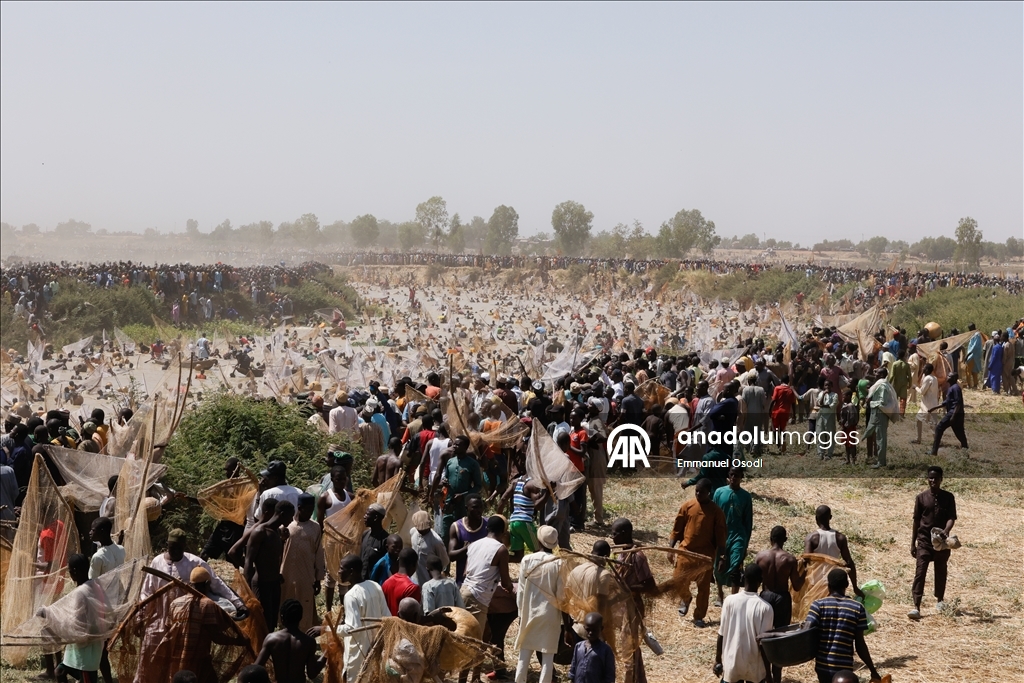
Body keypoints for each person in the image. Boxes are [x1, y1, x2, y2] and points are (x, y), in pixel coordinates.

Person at [162, 566, 250, 683]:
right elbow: (216, 637)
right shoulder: (207, 604)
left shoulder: (175, 603)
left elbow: (168, 629)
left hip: (177, 658)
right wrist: (238, 641)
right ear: (207, 583)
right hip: (199, 659)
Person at [804, 568, 881, 683]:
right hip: (844, 671)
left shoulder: (818, 605)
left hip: (823, 666)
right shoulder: (857, 608)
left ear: (828, 585)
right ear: (847, 584)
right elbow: (860, 644)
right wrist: (872, 669)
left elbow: (806, 632)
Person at [670, 478, 726, 628]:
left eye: (702, 492)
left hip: (705, 556)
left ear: (709, 493)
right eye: (696, 491)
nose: (698, 494)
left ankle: (699, 616)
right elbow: (677, 528)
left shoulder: (716, 512)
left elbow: (721, 537)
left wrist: (721, 557)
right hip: (686, 551)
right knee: (678, 580)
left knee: (703, 588)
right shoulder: (687, 506)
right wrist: (671, 548)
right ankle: (686, 598)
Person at [514, 525, 567, 683]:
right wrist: (566, 623)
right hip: (550, 614)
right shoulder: (559, 563)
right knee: (548, 656)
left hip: (530, 611)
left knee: (524, 652)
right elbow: (561, 596)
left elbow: (521, 591)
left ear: (538, 540)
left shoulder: (527, 560)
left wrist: (520, 614)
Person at [755, 526, 805, 683]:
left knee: (764, 634)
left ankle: (764, 673)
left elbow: (754, 580)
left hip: (765, 596)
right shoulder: (790, 559)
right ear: (785, 540)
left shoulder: (760, 556)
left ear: (770, 539)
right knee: (780, 636)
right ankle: (776, 675)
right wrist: (805, 572)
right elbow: (796, 586)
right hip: (782, 598)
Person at [612, 518, 657, 683]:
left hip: (633, 607)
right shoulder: (621, 551)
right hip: (623, 606)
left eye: (615, 533)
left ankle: (629, 678)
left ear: (625, 534)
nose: (612, 536)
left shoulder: (637, 556)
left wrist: (628, 589)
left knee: (629, 649)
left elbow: (650, 585)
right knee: (630, 646)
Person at [909, 465, 957, 620]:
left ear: (941, 479)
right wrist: (912, 544)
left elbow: (951, 517)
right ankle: (916, 605)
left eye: (936, 478)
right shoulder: (921, 498)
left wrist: (946, 530)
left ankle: (940, 600)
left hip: (941, 542)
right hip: (923, 541)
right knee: (920, 572)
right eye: (930, 478)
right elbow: (916, 521)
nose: (933, 481)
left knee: (941, 570)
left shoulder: (948, 497)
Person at [713, 563, 773, 683]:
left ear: (743, 578)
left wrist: (718, 660)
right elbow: (764, 644)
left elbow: (721, 634)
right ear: (760, 581)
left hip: (732, 664)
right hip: (754, 667)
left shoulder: (729, 601)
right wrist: (768, 673)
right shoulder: (765, 608)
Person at [338, 555, 390, 683]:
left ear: (351, 572)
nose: (339, 572)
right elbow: (387, 617)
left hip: (358, 653)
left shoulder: (350, 596)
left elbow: (353, 628)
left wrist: (327, 628)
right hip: (376, 648)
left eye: (341, 568)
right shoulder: (375, 586)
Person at [246, 500, 295, 630]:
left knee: (272, 623)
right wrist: (248, 591)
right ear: (282, 514)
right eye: (291, 516)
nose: (291, 520)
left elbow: (272, 557)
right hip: (261, 584)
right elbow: (249, 562)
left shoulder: (277, 533)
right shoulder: (260, 532)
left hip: (274, 584)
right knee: (262, 623)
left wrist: (277, 575)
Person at [54, 554, 103, 683]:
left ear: (75, 571)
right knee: (60, 671)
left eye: (69, 571)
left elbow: (78, 622)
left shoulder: (82, 592)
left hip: (86, 645)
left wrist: (59, 622)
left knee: (87, 678)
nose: (69, 574)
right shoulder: (94, 586)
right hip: (78, 645)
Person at [280, 493, 325, 632]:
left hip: (306, 575)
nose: (311, 512)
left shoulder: (315, 527)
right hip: (286, 574)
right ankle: (285, 630)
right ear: (299, 508)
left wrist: (318, 579)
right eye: (308, 509)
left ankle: (304, 633)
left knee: (305, 603)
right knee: (286, 602)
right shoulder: (287, 526)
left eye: (313, 509)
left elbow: (319, 554)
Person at [461, 515, 513, 633]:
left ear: (486, 529)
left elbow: (465, 573)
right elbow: (506, 583)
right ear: (503, 532)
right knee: (472, 640)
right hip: (478, 598)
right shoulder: (501, 549)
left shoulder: (474, 544)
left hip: (463, 592)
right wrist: (512, 591)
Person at [254, 600, 327, 683]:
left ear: (282, 618)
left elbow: (256, 667)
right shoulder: (308, 642)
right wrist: (326, 653)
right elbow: (312, 674)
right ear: (300, 617)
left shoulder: (271, 639)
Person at [712, 467, 753, 606]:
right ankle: (720, 594)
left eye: (737, 475)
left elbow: (748, 522)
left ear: (742, 477)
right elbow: (713, 515)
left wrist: (746, 543)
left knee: (736, 565)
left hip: (738, 536)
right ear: (728, 476)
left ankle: (733, 599)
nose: (734, 478)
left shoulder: (746, 497)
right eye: (731, 475)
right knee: (718, 565)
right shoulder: (719, 492)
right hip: (721, 534)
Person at [433, 436, 483, 538]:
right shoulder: (450, 462)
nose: (454, 447)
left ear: (465, 447)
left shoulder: (473, 464)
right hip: (449, 504)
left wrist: (463, 495)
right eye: (453, 444)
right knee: (445, 534)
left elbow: (478, 486)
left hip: (463, 506)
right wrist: (444, 482)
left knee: (462, 532)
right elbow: (446, 479)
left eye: (457, 445)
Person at [805, 506, 861, 597]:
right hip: (834, 583)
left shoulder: (811, 538)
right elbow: (849, 562)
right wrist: (855, 587)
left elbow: (806, 562)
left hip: (815, 584)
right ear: (830, 517)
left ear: (816, 518)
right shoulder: (840, 538)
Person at [448, 493, 489, 584]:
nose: (479, 511)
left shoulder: (488, 525)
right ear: (466, 508)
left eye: (481, 507)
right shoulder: (457, 527)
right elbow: (451, 555)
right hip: (463, 582)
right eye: (475, 507)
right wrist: (468, 548)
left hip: (484, 582)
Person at [568, 612, 615, 683]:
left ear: (601, 629)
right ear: (584, 628)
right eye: (588, 629)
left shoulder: (605, 650)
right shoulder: (578, 646)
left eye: (594, 630)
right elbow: (573, 667)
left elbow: (609, 674)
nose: (590, 633)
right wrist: (571, 677)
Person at [929, 372, 968, 455]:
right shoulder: (951, 388)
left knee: (939, 428)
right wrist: (934, 408)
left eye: (949, 376)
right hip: (955, 413)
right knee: (960, 434)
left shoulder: (956, 388)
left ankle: (934, 451)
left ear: (954, 378)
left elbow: (958, 403)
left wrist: (953, 416)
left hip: (954, 413)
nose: (947, 377)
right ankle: (966, 453)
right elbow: (946, 402)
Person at [863, 369, 894, 469]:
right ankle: (879, 459)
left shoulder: (882, 386)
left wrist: (870, 402)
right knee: (874, 435)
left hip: (880, 414)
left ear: (882, 375)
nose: (875, 374)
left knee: (880, 438)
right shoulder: (879, 385)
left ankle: (881, 462)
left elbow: (882, 402)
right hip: (877, 413)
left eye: (877, 373)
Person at [409, 510, 449, 585]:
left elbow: (445, 561)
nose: (422, 531)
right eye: (420, 529)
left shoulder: (436, 541)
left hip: (429, 582)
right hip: (414, 579)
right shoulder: (413, 532)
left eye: (425, 529)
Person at [382, 547, 422, 616]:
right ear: (414, 565)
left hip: (388, 625)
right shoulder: (412, 588)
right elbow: (412, 618)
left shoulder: (386, 583)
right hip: (403, 626)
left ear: (398, 561)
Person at [359, 503, 389, 582]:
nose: (364, 517)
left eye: (367, 514)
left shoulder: (386, 540)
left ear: (375, 518)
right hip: (362, 581)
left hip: (376, 583)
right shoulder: (365, 534)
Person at [913, 363, 939, 445]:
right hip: (933, 404)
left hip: (928, 405)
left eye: (924, 368)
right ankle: (920, 439)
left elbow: (922, 392)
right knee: (922, 421)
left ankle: (935, 441)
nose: (922, 369)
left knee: (932, 425)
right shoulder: (934, 378)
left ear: (927, 370)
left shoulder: (927, 378)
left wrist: (915, 387)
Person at [815, 380, 838, 460]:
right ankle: (820, 453)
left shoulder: (835, 395)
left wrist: (822, 406)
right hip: (821, 415)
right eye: (825, 385)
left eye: (828, 385)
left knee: (830, 435)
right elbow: (818, 404)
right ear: (823, 386)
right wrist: (824, 395)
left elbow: (832, 406)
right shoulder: (821, 394)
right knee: (820, 433)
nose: (827, 387)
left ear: (831, 386)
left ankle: (829, 453)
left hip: (830, 416)